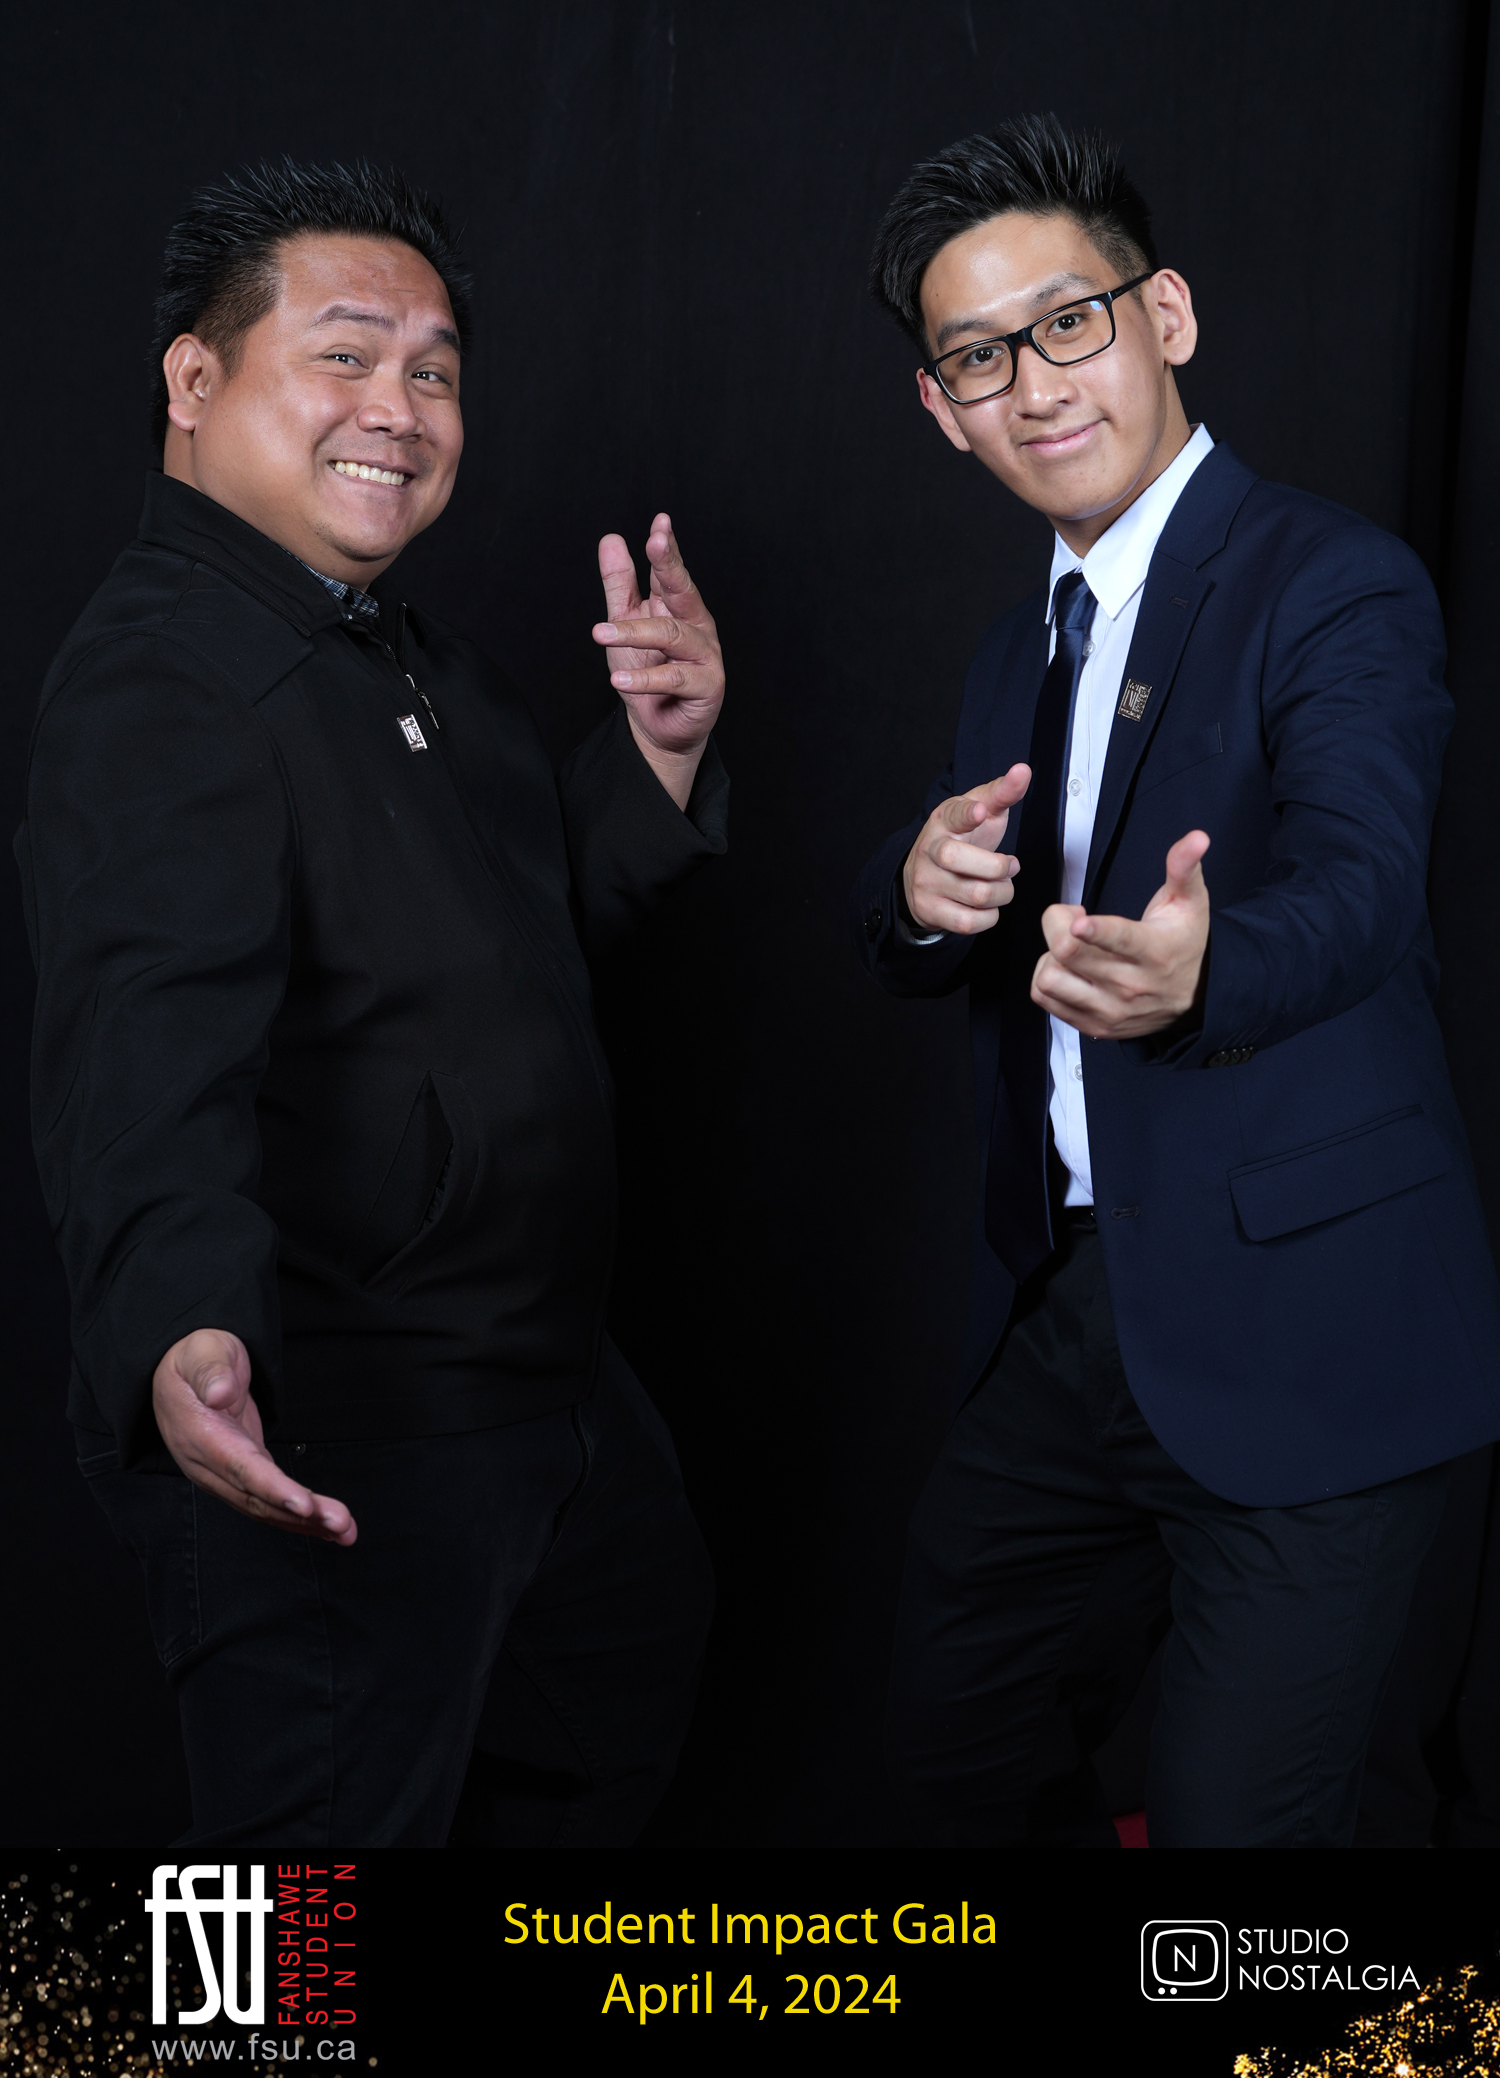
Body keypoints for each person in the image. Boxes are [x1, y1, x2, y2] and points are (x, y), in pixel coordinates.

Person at [18, 160, 727, 1847]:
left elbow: (513, 939)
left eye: (432, 369)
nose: (397, 409)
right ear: (195, 379)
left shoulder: (413, 660)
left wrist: (660, 751)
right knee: (289, 1943)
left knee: (601, 1747)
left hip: (543, 1391)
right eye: (343, 354)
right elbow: (143, 1042)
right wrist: (183, 1326)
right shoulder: (164, 677)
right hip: (342, 1422)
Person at [852, 113, 1500, 1847]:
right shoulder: (1015, 646)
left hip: (1313, 1332)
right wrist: (919, 895)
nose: (1034, 385)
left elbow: (1364, 885)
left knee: (1235, 1856)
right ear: (940, 406)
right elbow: (940, 911)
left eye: (1068, 322)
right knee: (946, 1755)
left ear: (1167, 316)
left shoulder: (1334, 580)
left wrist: (1209, 968)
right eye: (978, 357)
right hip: (1081, 1314)